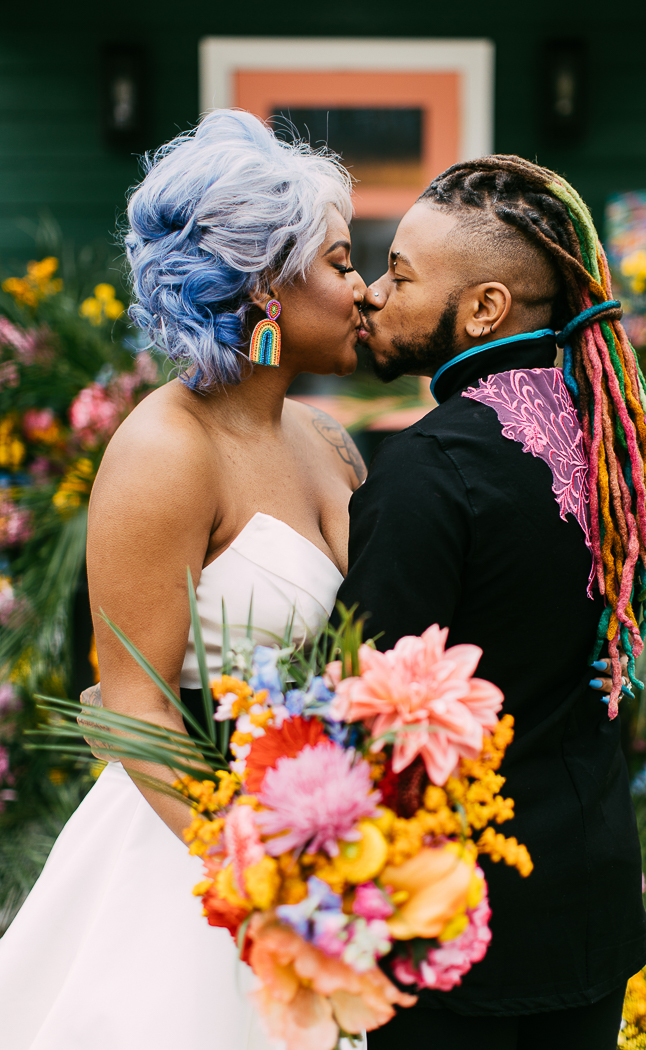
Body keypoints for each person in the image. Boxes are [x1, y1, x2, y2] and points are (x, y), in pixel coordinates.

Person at [0, 109, 367, 1050]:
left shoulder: (325, 442)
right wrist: (261, 883)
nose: (363, 290)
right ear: (269, 290)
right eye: (340, 261)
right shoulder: (165, 450)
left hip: (323, 832)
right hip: (191, 854)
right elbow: (128, 708)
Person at [337, 157, 646, 1050]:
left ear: (484, 309)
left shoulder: (425, 469)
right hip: (595, 902)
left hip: (462, 931)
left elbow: (366, 717)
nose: (372, 293)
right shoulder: (610, 449)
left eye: (400, 274)